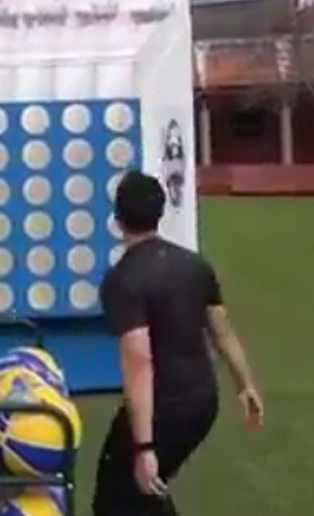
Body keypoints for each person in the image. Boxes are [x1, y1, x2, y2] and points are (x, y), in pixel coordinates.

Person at [93, 170, 263, 516]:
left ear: (116, 219)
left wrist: (144, 447)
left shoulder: (123, 280)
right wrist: (245, 386)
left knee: (119, 495)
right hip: (202, 402)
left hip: (166, 407)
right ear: (160, 212)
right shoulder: (194, 266)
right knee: (138, 492)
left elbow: (139, 363)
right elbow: (223, 331)